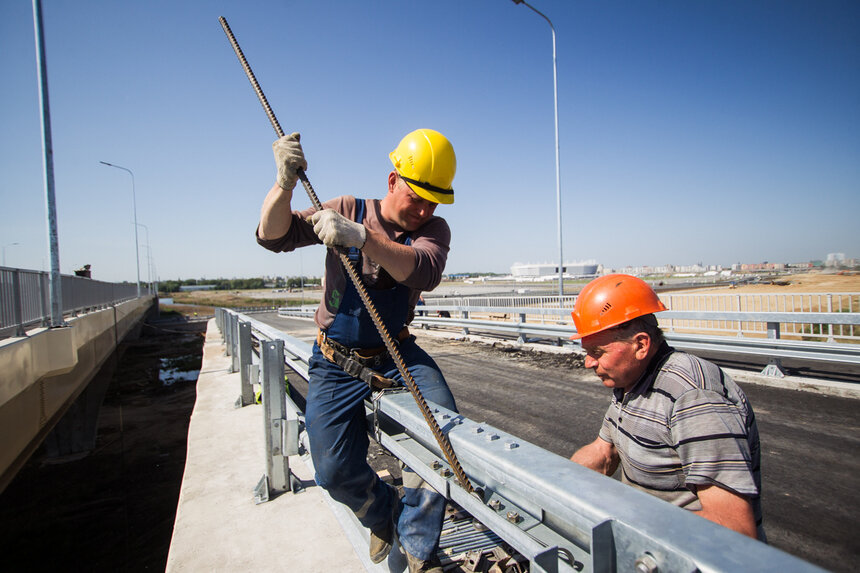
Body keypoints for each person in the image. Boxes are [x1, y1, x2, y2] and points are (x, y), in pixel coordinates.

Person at [256, 129, 459, 572]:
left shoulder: (432, 230)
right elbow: (274, 236)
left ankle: (419, 548)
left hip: (398, 354)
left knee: (444, 433)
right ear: (392, 181)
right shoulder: (348, 209)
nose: (424, 210)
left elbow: (423, 271)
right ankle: (383, 511)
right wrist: (283, 183)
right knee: (330, 468)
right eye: (417, 197)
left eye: (433, 202)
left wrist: (363, 239)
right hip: (335, 360)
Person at [568, 274, 765, 541]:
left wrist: (625, 524)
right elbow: (605, 452)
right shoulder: (632, 382)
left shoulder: (694, 398)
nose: (588, 363)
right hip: (649, 547)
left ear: (640, 345)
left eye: (597, 352)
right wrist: (558, 482)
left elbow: (733, 527)